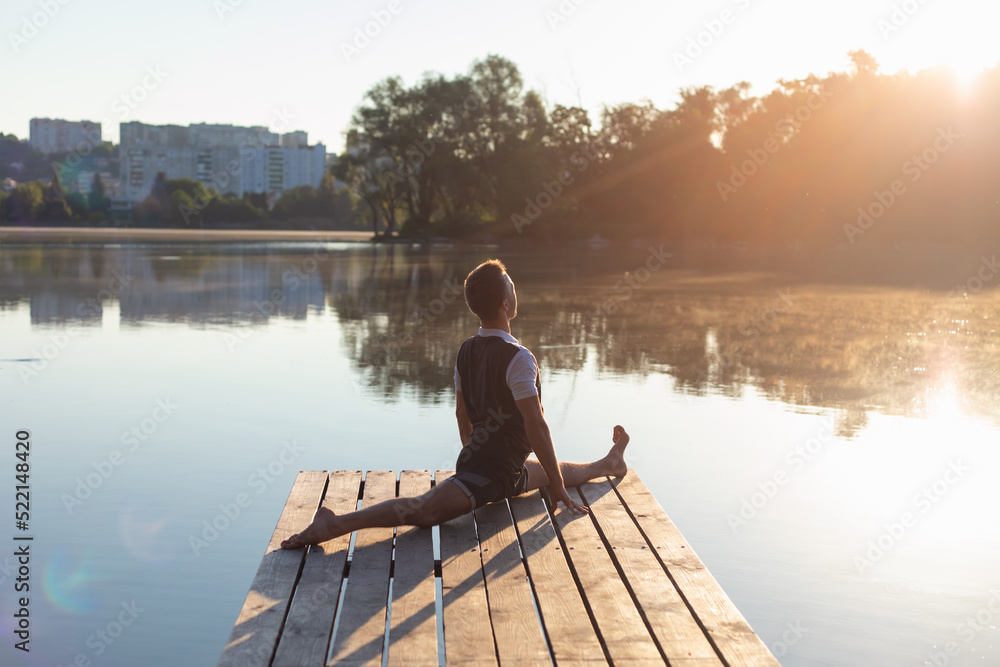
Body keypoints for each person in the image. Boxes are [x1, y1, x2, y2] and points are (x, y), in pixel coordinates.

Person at [280, 259, 629, 550]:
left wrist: (479, 451)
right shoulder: (519, 358)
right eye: (511, 285)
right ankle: (335, 523)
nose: (514, 289)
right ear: (505, 304)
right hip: (487, 472)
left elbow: (462, 414)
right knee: (425, 511)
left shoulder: (466, 350)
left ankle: (609, 462)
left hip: (500, 468)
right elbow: (535, 426)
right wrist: (490, 466)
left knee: (559, 472)